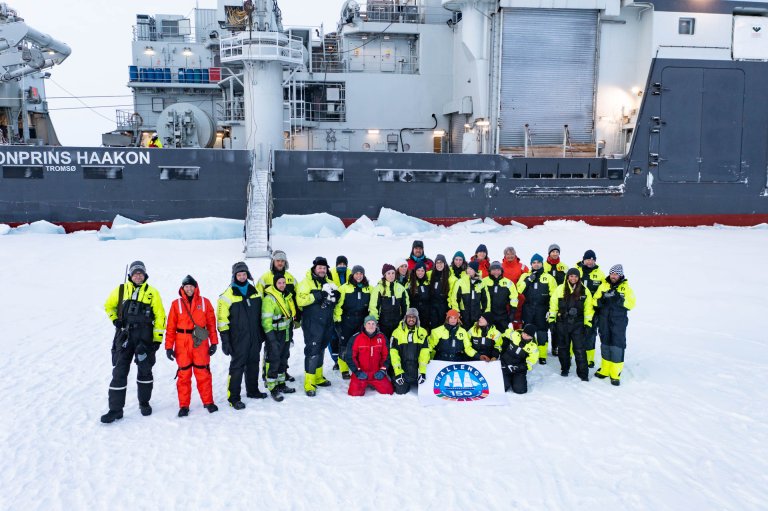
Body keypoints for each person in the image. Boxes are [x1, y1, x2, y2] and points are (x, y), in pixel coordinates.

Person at [101, 261, 166, 423]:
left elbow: (160, 316)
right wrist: (115, 319)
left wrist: (157, 339)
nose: (138, 276)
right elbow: (108, 306)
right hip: (124, 336)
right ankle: (115, 409)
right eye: (135, 273)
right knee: (119, 371)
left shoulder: (152, 292)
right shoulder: (121, 290)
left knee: (145, 370)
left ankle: (144, 403)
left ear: (145, 275)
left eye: (141, 273)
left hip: (144, 336)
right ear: (130, 275)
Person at [165, 275, 219, 417]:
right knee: (184, 374)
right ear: (183, 288)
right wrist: (168, 346)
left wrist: (214, 342)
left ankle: (208, 402)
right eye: (186, 287)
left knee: (203, 373)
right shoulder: (176, 304)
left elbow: (211, 324)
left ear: (196, 287)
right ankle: (184, 405)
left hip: (200, 341)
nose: (189, 289)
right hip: (182, 342)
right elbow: (170, 327)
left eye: (191, 286)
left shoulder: (204, 302)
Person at [218, 262, 266, 410]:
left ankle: (252, 391)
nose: (242, 277)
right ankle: (234, 398)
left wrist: (261, 334)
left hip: (254, 337)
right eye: (239, 274)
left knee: (253, 364)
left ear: (248, 275)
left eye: (244, 274)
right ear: (234, 276)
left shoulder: (256, 292)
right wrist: (225, 341)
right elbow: (222, 321)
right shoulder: (227, 296)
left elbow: (261, 315)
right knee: (237, 368)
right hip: (238, 339)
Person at [296, 256, 338, 396]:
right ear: (314, 268)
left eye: (324, 268)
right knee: (312, 351)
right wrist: (318, 295)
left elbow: (336, 300)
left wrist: (336, 297)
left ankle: (318, 377)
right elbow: (300, 301)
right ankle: (309, 382)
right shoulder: (306, 283)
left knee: (321, 349)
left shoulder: (330, 282)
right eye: (319, 267)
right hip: (312, 323)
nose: (322, 270)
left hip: (326, 322)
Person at [256, 249, 297, 381]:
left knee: (285, 349)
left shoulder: (291, 278)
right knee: (271, 350)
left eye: (282, 261)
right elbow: (258, 298)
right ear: (273, 261)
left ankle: (283, 371)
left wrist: (298, 316)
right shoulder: (264, 278)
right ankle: (266, 372)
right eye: (277, 260)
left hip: (287, 322)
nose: (280, 263)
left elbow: (296, 297)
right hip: (271, 323)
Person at [592, 264, 636, 386]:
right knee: (605, 344)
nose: (613, 276)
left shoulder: (625, 288)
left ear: (620, 275)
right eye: (612, 273)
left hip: (619, 322)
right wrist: (601, 300)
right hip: (604, 320)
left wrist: (619, 299)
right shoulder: (604, 285)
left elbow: (631, 304)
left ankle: (615, 374)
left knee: (617, 345)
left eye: (616, 274)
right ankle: (605, 370)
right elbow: (594, 301)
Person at [549, 268, 594, 381]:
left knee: (579, 349)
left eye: (575, 276)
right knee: (563, 348)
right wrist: (551, 320)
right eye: (571, 276)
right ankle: (565, 368)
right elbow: (553, 306)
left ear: (579, 278)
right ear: (567, 277)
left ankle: (583, 373)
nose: (573, 278)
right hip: (562, 323)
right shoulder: (560, 289)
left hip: (577, 324)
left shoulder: (584, 291)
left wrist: (588, 324)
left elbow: (588, 309)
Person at [517, 254, 557, 365]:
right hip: (528, 308)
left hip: (542, 308)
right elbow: (519, 289)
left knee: (542, 333)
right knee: (527, 332)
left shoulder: (548, 277)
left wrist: (551, 310)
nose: (536, 264)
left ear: (542, 263)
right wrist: (529, 280)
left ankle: (542, 355)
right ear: (531, 264)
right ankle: (526, 354)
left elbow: (554, 295)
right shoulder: (525, 275)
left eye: (538, 262)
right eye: (534, 262)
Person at [262, 275, 297, 401]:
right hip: (274, 334)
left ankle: (281, 384)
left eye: (283, 282)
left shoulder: (287, 296)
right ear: (274, 284)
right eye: (279, 283)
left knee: (283, 358)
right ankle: (272, 387)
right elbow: (266, 321)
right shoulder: (269, 299)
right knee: (273, 360)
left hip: (286, 332)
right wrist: (271, 339)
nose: (282, 285)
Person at [334, 265, 372, 379]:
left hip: (362, 321)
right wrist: (338, 320)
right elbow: (338, 306)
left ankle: (359, 367)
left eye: (361, 273)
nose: (359, 276)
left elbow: (373, 305)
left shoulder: (369, 288)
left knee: (361, 345)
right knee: (344, 346)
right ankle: (344, 369)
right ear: (352, 274)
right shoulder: (344, 288)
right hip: (347, 321)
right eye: (357, 273)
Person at [345, 316, 394, 396]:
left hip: (376, 372)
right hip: (361, 372)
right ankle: (363, 382)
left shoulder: (382, 338)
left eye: (373, 323)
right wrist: (357, 371)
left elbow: (386, 356)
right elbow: (350, 357)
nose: (371, 325)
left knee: (388, 391)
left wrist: (382, 370)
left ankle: (373, 383)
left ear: (376, 325)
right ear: (364, 325)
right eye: (368, 323)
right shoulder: (356, 338)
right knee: (354, 393)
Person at [574, 249, 606, 367]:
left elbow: (604, 290)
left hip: (592, 310)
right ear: (583, 259)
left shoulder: (600, 274)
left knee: (591, 334)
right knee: (575, 332)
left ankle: (590, 359)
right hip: (576, 308)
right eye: (588, 259)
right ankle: (574, 356)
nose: (590, 262)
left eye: (592, 259)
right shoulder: (576, 271)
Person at [389, 308, 430, 394]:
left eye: (414, 317)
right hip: (403, 368)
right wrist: (398, 372)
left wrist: (422, 372)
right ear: (405, 318)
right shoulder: (396, 333)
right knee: (401, 391)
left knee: (426, 389)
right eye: (409, 317)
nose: (411, 319)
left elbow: (425, 353)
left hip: (416, 369)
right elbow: (393, 354)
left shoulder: (422, 332)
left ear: (417, 319)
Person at [369, 263, 409, 340]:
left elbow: (405, 305)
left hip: (397, 324)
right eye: (389, 273)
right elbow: (373, 307)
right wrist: (375, 322)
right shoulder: (378, 288)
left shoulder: (401, 288)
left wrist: (405, 319)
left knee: (396, 344)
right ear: (384, 275)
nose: (391, 275)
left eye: (393, 273)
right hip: (383, 324)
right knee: (384, 345)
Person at [544, 243, 568, 356]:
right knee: (544, 325)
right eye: (553, 251)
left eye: (557, 252)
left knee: (557, 326)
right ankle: (542, 348)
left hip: (559, 300)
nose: (555, 253)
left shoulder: (563, 267)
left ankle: (555, 347)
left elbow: (569, 281)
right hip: (545, 299)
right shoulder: (543, 266)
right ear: (549, 253)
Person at [499, 324, 538, 394]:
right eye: (524, 333)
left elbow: (531, 362)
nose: (525, 336)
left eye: (528, 335)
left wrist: (519, 367)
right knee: (502, 388)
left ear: (531, 337)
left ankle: (514, 379)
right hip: (505, 364)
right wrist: (502, 351)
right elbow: (503, 335)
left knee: (520, 390)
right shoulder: (514, 335)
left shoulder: (533, 347)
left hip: (518, 368)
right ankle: (507, 379)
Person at [451, 260, 490, 327]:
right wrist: (457, 312)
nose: (469, 270)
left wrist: (486, 314)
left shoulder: (481, 283)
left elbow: (486, 300)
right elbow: (454, 298)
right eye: (468, 268)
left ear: (475, 271)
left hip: (477, 315)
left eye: (471, 269)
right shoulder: (460, 282)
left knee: (476, 334)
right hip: (464, 315)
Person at [328, 255, 351, 367]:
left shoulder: (352, 273)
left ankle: (346, 359)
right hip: (333, 309)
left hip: (347, 310)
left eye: (344, 264)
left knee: (345, 336)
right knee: (333, 337)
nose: (342, 266)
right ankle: (336, 360)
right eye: (340, 264)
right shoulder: (330, 274)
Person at [483, 260, 519, 332]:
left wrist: (512, 313)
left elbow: (514, 298)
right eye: (493, 270)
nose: (496, 272)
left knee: (503, 337)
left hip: (502, 316)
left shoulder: (508, 282)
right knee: (488, 337)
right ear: (490, 271)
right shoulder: (484, 281)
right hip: (487, 315)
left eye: (498, 270)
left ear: (501, 271)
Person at [502, 246, 529, 330]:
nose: (510, 256)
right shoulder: (500, 266)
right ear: (504, 255)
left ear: (515, 254)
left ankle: (518, 338)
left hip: (518, 297)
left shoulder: (522, 267)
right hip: (504, 297)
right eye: (508, 254)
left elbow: (528, 279)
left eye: (512, 254)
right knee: (504, 318)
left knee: (517, 319)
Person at [428, 254, 452, 330]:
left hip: (444, 306)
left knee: (443, 327)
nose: (439, 265)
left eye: (441, 262)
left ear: (445, 264)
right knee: (434, 327)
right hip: (432, 306)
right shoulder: (430, 274)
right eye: (437, 262)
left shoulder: (450, 276)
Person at [407, 261, 432, 331]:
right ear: (415, 271)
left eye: (422, 270)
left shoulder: (428, 283)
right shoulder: (410, 283)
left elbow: (431, 299)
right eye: (418, 270)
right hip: (414, 315)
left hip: (426, 315)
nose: (420, 273)